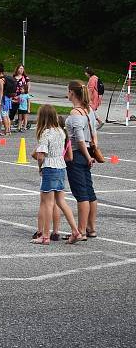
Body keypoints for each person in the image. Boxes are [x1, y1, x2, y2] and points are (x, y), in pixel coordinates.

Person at [32, 105, 82, 245]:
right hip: (61, 167)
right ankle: (75, 231)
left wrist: (40, 167)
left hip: (50, 167)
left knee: (48, 203)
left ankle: (45, 236)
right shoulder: (61, 131)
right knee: (61, 201)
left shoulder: (45, 133)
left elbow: (41, 155)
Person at [64, 81, 99, 243]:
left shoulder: (75, 113)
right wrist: (93, 152)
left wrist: (86, 156)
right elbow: (94, 133)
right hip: (88, 151)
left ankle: (82, 230)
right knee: (89, 192)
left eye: (68, 91)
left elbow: (78, 139)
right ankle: (91, 228)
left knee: (81, 194)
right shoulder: (89, 110)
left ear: (72, 93)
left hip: (78, 154)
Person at [0, 64, 13, 135]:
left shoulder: (0, 80)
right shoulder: (5, 78)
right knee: (7, 115)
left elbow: (1, 91)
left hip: (4, 99)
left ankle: (6, 131)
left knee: (4, 115)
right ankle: (9, 130)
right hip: (8, 98)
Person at [12, 64, 30, 130]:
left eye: (22, 68)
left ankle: (23, 125)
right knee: (14, 111)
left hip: (23, 96)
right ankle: (15, 123)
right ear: (17, 69)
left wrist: (26, 92)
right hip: (16, 96)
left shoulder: (25, 77)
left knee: (23, 112)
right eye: (20, 68)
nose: (21, 70)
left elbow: (28, 85)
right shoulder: (14, 77)